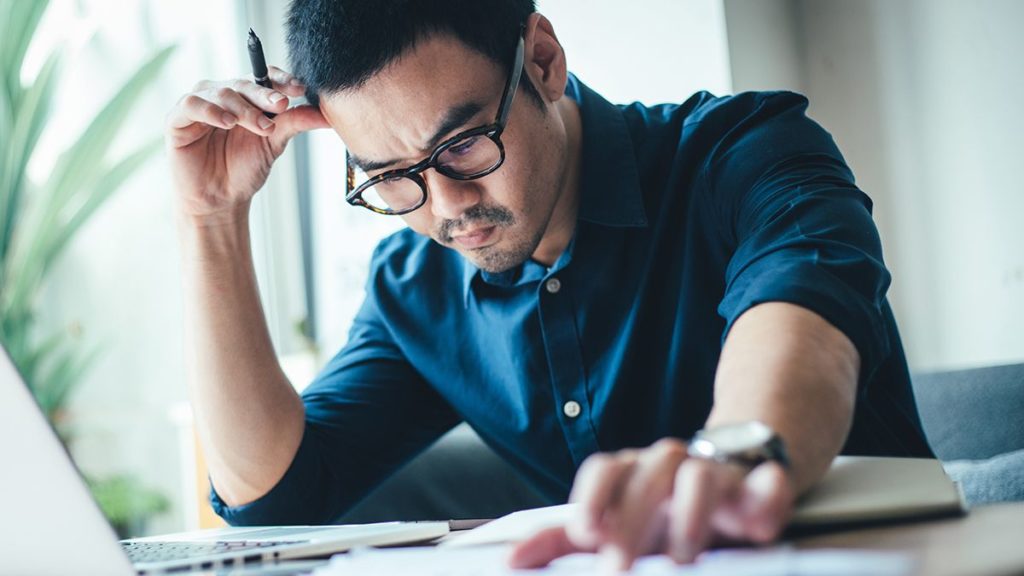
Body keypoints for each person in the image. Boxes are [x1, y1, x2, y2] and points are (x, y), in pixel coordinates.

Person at [165, 0, 932, 570]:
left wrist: (729, 457)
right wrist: (211, 219)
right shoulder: (417, 290)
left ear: (541, 60)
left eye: (463, 145)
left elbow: (802, 330)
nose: (446, 208)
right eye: (393, 178)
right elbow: (273, 497)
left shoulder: (746, 154)